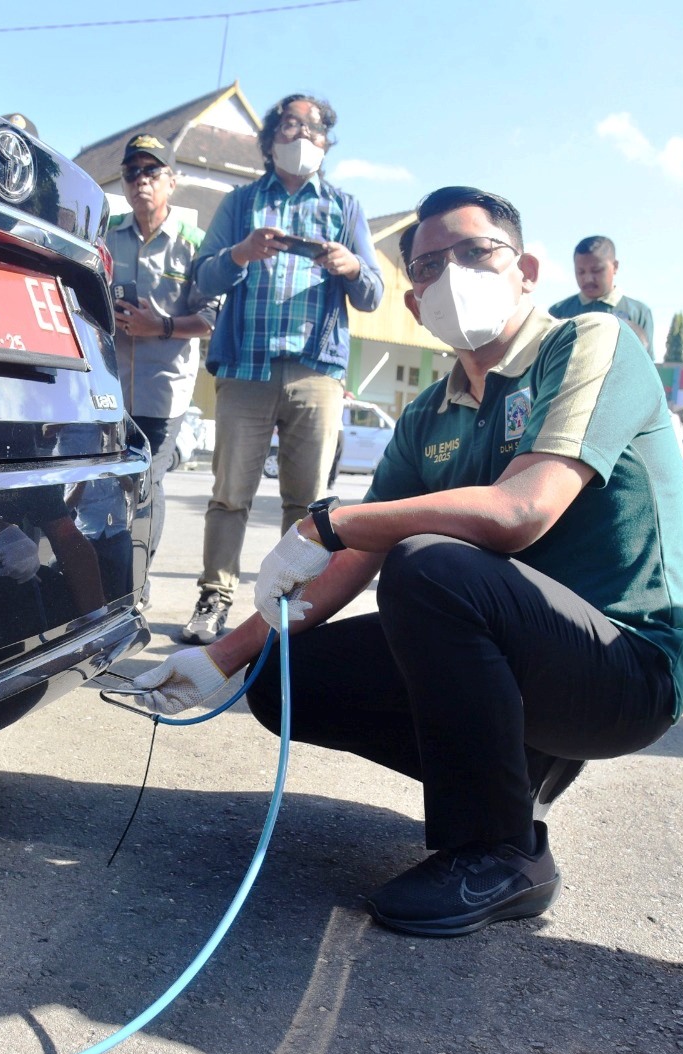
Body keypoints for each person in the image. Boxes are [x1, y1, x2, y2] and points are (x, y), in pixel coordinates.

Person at [131, 186, 683, 938]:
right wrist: (227, 655)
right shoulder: (430, 412)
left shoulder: (589, 343)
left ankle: (500, 852)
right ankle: (511, 777)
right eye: (430, 265)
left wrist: (329, 522)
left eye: (475, 252)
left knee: (430, 567)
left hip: (624, 665)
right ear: (413, 295)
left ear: (525, 267)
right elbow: (353, 556)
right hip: (530, 660)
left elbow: (520, 512)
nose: (452, 274)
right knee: (284, 679)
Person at [179, 94, 384, 644]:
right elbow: (203, 279)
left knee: (307, 502)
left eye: (315, 127)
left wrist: (353, 266)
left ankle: (293, 604)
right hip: (245, 368)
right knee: (229, 494)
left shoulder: (346, 206)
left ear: (326, 143)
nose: (302, 135)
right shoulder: (241, 202)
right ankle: (213, 598)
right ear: (269, 140)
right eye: (290, 125)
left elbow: (374, 294)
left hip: (317, 372)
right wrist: (241, 253)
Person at [104, 134, 218, 576]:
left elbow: (210, 318)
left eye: (151, 172)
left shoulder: (194, 242)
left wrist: (162, 326)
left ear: (172, 181)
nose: (140, 182)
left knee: (147, 482)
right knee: (112, 485)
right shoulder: (108, 234)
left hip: (163, 389)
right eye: (131, 173)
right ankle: (111, 577)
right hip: (112, 387)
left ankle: (136, 578)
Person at [548, 236, 655, 357]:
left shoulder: (639, 312)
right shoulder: (558, 312)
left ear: (615, 266)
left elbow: (646, 364)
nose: (588, 278)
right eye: (580, 272)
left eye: (596, 270)